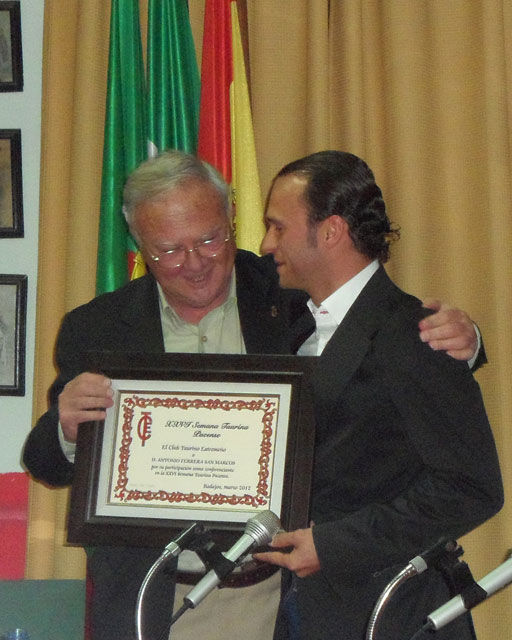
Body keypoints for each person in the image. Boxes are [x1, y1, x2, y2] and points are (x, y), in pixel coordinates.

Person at [23, 150, 482, 640]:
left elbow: (380, 341)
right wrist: (67, 428)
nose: (195, 263)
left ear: (230, 219)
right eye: (169, 251)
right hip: (153, 595)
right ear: (139, 245)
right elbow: (45, 461)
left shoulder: (292, 292)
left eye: (209, 238)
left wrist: (465, 340)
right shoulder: (97, 328)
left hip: (278, 595)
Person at [254, 150, 503, 640]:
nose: (265, 244)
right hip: (306, 611)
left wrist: (333, 544)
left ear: (330, 232)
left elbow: (472, 488)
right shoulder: (290, 322)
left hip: (395, 613)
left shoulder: (413, 334)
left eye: (278, 227)